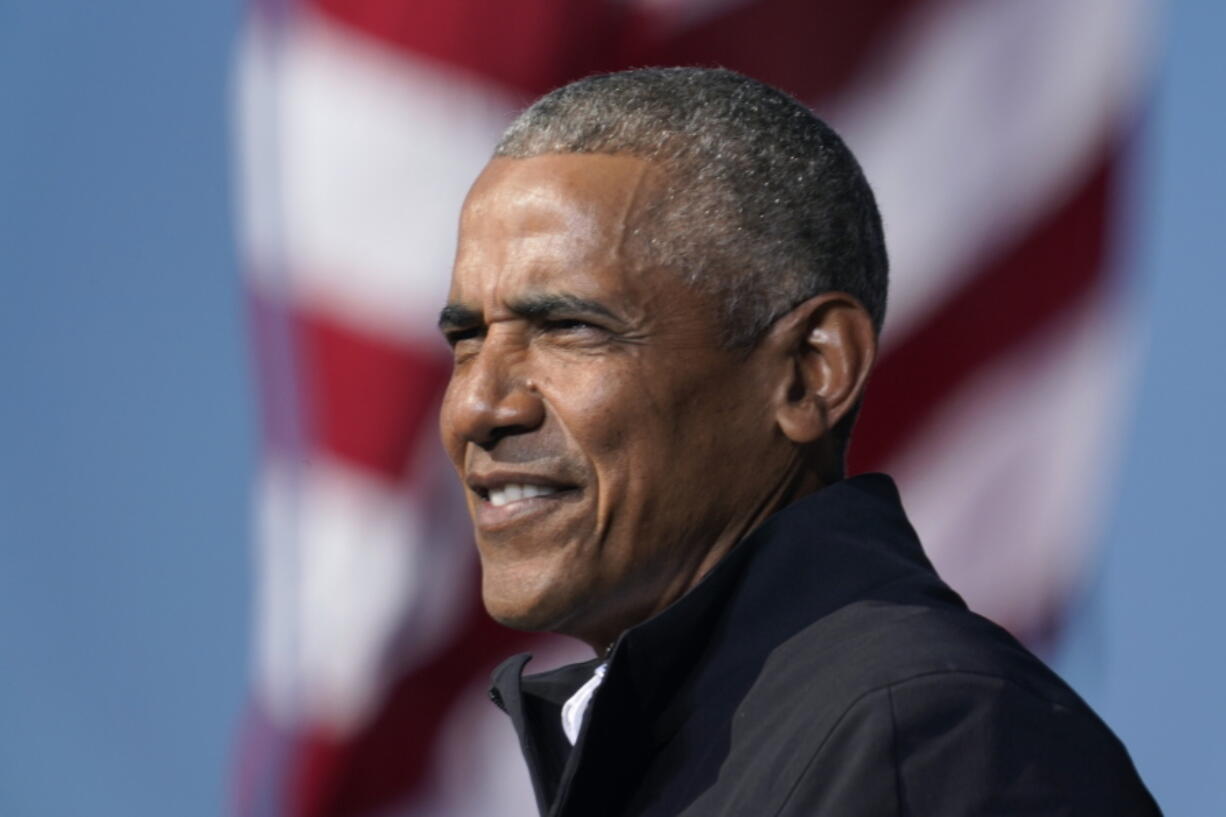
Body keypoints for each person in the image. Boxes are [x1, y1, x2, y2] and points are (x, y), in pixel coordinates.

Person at [436, 67, 1159, 817]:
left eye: (568, 327)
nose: (478, 406)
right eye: (465, 338)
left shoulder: (931, 742)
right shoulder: (734, 751)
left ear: (812, 372)